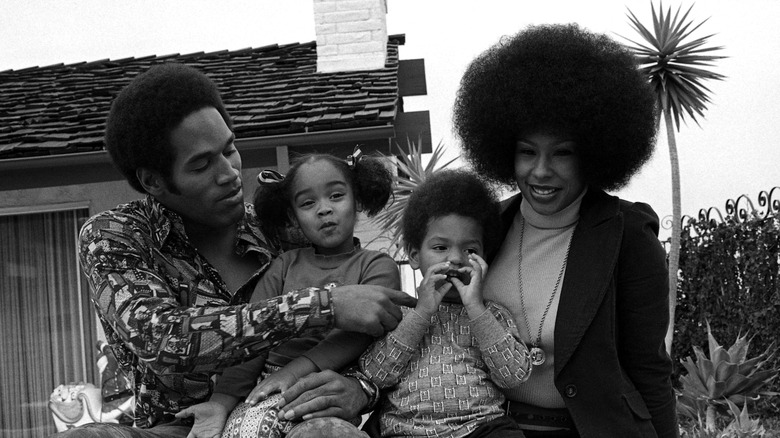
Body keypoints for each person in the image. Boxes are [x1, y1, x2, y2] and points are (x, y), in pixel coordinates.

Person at [57, 62, 415, 438]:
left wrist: (361, 388)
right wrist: (324, 305)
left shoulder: (278, 228)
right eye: (201, 165)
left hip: (293, 411)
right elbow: (163, 340)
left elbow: (371, 318)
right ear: (154, 181)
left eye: (229, 149)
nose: (228, 173)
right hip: (184, 429)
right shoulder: (115, 235)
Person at [450, 24, 677, 437]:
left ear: (592, 152)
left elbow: (649, 370)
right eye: (527, 152)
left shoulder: (626, 235)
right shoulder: (487, 228)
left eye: (562, 153)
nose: (540, 171)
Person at [184, 151, 401, 438]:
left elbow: (358, 335)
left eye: (336, 196)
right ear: (293, 216)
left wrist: (292, 373)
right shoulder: (284, 265)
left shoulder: (377, 266)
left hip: (332, 383)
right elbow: (253, 337)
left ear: (357, 199)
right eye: (308, 203)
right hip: (269, 381)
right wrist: (220, 402)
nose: (324, 209)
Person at [360, 169, 532, 438]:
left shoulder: (492, 315)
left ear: (485, 257)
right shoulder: (400, 314)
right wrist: (421, 313)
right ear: (415, 256)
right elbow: (376, 375)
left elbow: (514, 376)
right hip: (407, 430)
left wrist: (476, 308)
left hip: (481, 428)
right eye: (440, 247)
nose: (456, 259)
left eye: (470, 250)